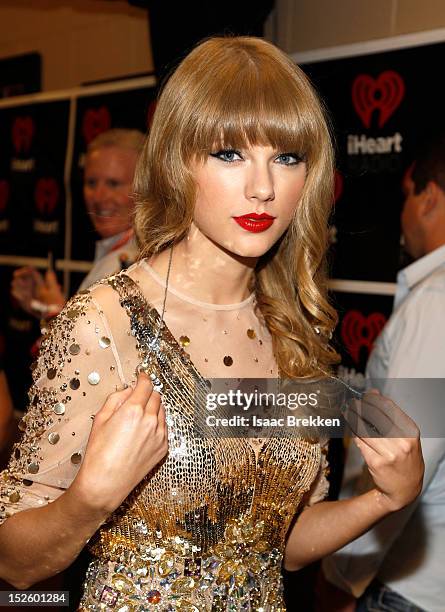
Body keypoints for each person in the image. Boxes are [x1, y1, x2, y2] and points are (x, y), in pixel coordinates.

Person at [0, 37, 423, 611]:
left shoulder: (293, 329)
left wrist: (384, 499)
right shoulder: (106, 325)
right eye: (229, 154)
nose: (263, 187)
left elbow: (286, 546)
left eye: (286, 157)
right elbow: (14, 563)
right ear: (177, 161)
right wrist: (89, 501)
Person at [321, 138, 445, 612]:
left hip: (405, 588)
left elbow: (405, 456)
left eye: (407, 196)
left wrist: (342, 573)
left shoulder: (435, 302)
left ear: (428, 196)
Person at [11, 128, 144, 319]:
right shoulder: (118, 253)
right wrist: (43, 306)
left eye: (113, 183)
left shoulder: (140, 262)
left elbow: (92, 347)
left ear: (147, 186)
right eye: (91, 183)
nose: (98, 197)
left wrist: (53, 313)